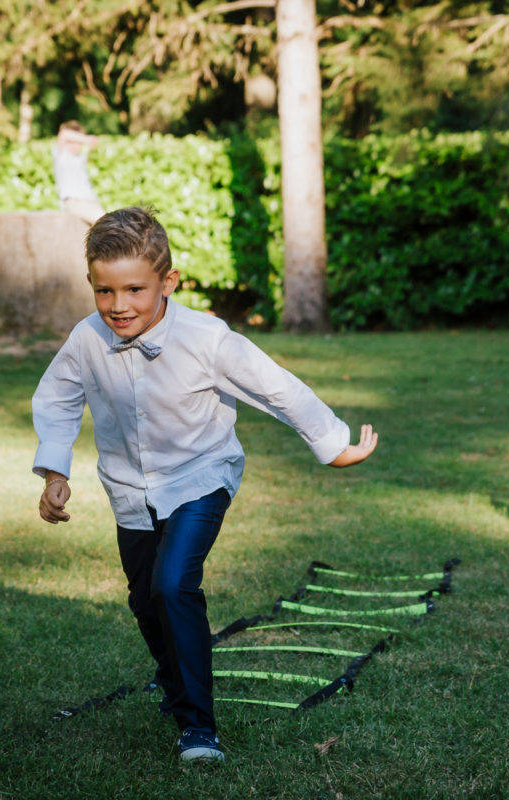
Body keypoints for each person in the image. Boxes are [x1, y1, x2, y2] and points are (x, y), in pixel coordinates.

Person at [31, 207, 379, 764]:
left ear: (168, 282)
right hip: (129, 489)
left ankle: (198, 728)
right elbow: (56, 399)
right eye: (104, 291)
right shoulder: (86, 338)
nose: (118, 306)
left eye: (134, 290)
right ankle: (175, 688)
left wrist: (332, 444)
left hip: (200, 477)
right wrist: (55, 471)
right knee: (145, 602)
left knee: (173, 585)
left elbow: (277, 389)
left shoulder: (207, 338)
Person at [53, 121, 106, 225]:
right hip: (74, 202)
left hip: (90, 201)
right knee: (105, 224)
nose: (74, 146)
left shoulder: (81, 157)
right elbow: (64, 134)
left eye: (77, 142)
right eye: (70, 142)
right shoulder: (61, 155)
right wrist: (86, 139)